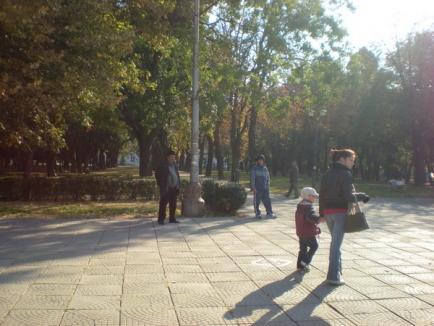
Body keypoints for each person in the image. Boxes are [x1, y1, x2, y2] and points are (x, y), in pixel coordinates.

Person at [319, 149, 370, 286]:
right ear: (342, 159)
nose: (353, 163)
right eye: (351, 160)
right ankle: (333, 276)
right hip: (340, 212)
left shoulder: (327, 174)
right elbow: (348, 196)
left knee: (335, 244)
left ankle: (337, 272)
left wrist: (321, 214)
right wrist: (362, 196)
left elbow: (321, 195)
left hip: (328, 212)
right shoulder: (345, 174)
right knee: (336, 245)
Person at [295, 187, 322, 272]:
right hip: (308, 232)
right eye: (314, 196)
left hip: (300, 231)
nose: (315, 198)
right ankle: (305, 262)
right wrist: (319, 219)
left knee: (303, 248)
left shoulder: (300, 206)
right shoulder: (308, 207)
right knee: (314, 246)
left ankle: (300, 265)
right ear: (308, 196)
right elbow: (311, 217)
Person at [155, 150, 181, 225]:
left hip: (174, 188)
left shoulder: (175, 165)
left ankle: (172, 218)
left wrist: (178, 184)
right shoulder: (162, 165)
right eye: (172, 157)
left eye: (174, 157)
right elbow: (157, 175)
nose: (173, 158)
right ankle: (161, 219)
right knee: (163, 204)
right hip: (166, 188)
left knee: (173, 204)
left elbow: (177, 175)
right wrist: (161, 184)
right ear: (167, 157)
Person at [250, 154, 275, 219]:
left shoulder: (265, 168)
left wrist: (268, 185)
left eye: (262, 160)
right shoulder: (254, 168)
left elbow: (268, 178)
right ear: (257, 161)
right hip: (257, 188)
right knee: (257, 201)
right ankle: (257, 213)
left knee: (267, 201)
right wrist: (253, 187)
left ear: (263, 161)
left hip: (265, 188)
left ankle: (269, 212)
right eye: (259, 160)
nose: (261, 161)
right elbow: (252, 178)